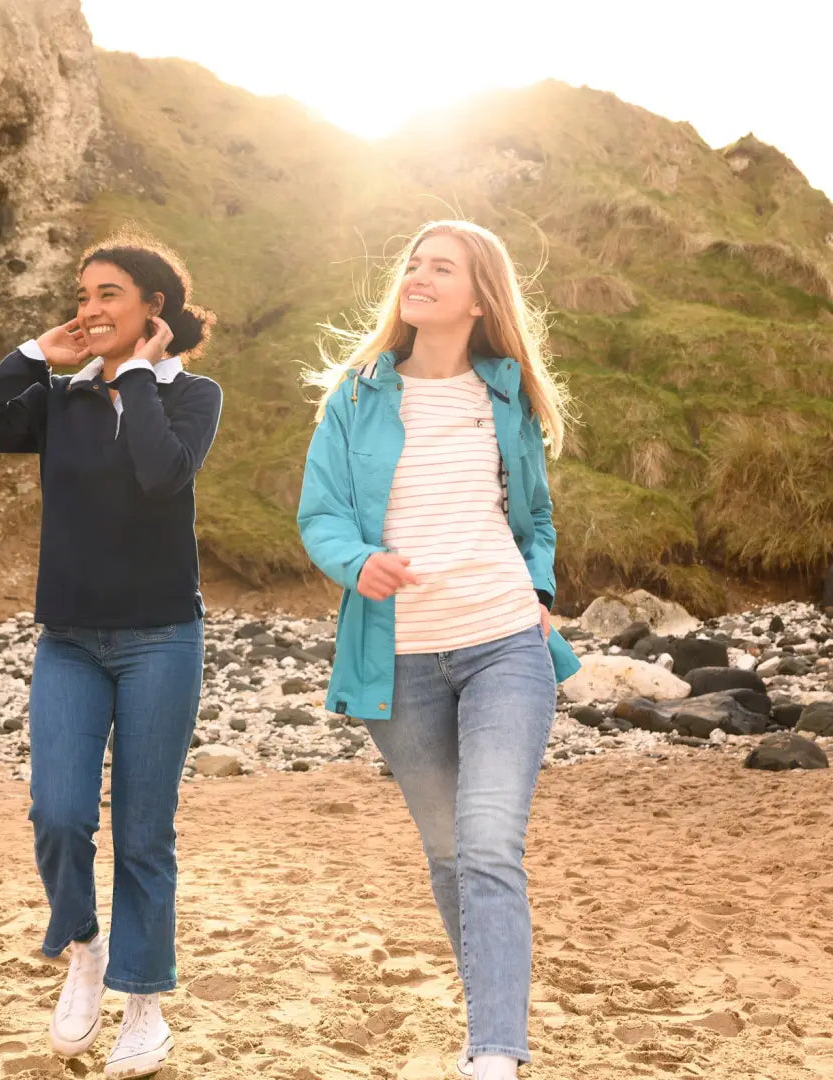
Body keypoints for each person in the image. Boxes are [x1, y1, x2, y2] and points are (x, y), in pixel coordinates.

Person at [297, 220, 581, 1079]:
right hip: (401, 661)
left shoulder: (508, 396)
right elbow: (321, 515)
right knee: (451, 851)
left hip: (503, 643)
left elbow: (534, 520)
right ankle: (488, 1012)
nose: (418, 275)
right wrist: (358, 563)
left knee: (491, 841)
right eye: (414, 264)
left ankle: (494, 1053)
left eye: (441, 267)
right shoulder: (354, 395)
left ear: (478, 295)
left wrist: (536, 594)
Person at [0, 231, 222, 1079]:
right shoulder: (60, 400)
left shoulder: (191, 396)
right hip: (68, 640)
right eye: (82, 294)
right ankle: (84, 950)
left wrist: (130, 376)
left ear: (152, 309)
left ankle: (144, 1003)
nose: (88, 309)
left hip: (162, 637)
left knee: (143, 830)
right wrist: (33, 357)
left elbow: (160, 477)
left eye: (107, 295)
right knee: (58, 813)